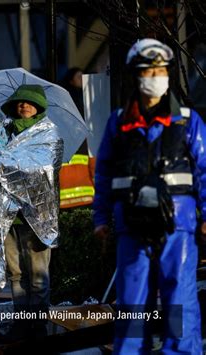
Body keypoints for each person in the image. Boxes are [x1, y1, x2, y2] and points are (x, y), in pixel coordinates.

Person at [93, 38, 204, 354]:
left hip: (177, 229)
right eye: (148, 71)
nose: (155, 76)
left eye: (160, 70)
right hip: (133, 226)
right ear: (135, 77)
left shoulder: (187, 121)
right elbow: (104, 174)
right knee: (132, 304)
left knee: (178, 303)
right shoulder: (119, 124)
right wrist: (100, 219)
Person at [0, 84, 58, 337]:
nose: (23, 106)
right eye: (20, 102)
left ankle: (37, 323)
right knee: (16, 273)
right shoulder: (2, 132)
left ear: (38, 107)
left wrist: (12, 164)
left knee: (37, 274)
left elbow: (45, 168)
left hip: (38, 217)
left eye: (29, 102)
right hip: (9, 215)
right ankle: (21, 321)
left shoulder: (50, 134)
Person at [59, 67, 95, 209]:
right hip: (86, 198)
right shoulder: (78, 98)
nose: (82, 80)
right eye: (78, 77)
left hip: (70, 200)